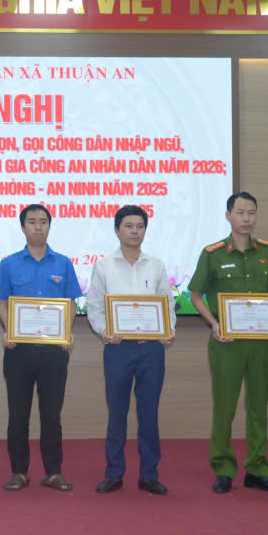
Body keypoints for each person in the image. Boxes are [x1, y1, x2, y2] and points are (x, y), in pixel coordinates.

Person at [188, 191, 268, 495]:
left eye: (252, 213)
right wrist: (214, 324)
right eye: (241, 212)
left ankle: (257, 469)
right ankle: (223, 468)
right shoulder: (213, 253)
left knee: (258, 406)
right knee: (225, 407)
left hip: (261, 343)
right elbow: (196, 295)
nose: (247, 218)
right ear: (228, 216)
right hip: (227, 342)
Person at [84, 206, 176, 496]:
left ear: (145, 230)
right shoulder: (104, 265)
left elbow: (168, 303)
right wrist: (104, 330)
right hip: (118, 349)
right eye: (128, 226)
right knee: (117, 413)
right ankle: (114, 473)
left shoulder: (156, 265)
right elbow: (94, 305)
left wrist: (168, 328)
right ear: (117, 230)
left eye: (140, 226)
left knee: (149, 414)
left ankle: (149, 475)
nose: (135, 231)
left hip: (151, 350)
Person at [0, 204, 83, 492]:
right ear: (23, 227)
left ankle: (53, 472)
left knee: (51, 414)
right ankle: (19, 472)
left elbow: (71, 303)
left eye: (43, 221)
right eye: (32, 222)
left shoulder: (63, 263)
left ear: (49, 226)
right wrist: (9, 330)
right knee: (18, 414)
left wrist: (66, 333)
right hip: (18, 350)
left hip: (54, 351)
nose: (38, 227)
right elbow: (2, 302)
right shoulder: (9, 264)